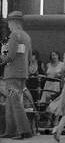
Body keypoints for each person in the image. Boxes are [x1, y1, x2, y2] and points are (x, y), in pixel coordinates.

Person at [0, 11, 34, 140]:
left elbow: (10, 56)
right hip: (21, 74)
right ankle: (10, 130)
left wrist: (2, 58)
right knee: (10, 102)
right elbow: (29, 56)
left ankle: (24, 131)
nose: (8, 26)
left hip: (12, 75)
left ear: (13, 22)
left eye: (8, 23)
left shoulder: (14, 35)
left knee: (14, 102)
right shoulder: (26, 36)